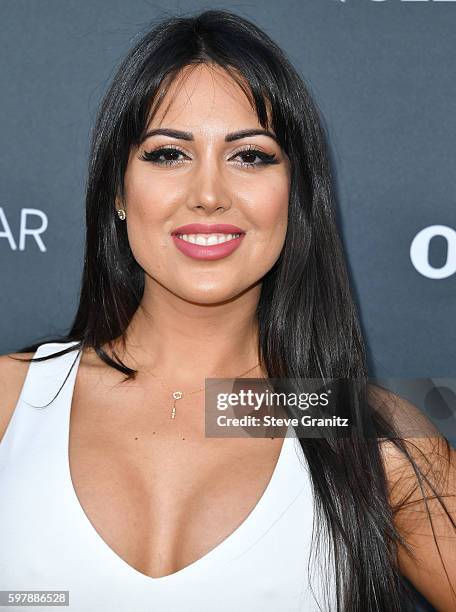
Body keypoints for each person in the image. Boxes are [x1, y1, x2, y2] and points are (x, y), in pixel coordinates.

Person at [0, 9, 455, 612]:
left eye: (251, 156)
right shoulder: (11, 399)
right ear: (116, 189)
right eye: (167, 154)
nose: (209, 193)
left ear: (296, 195)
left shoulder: (369, 438)